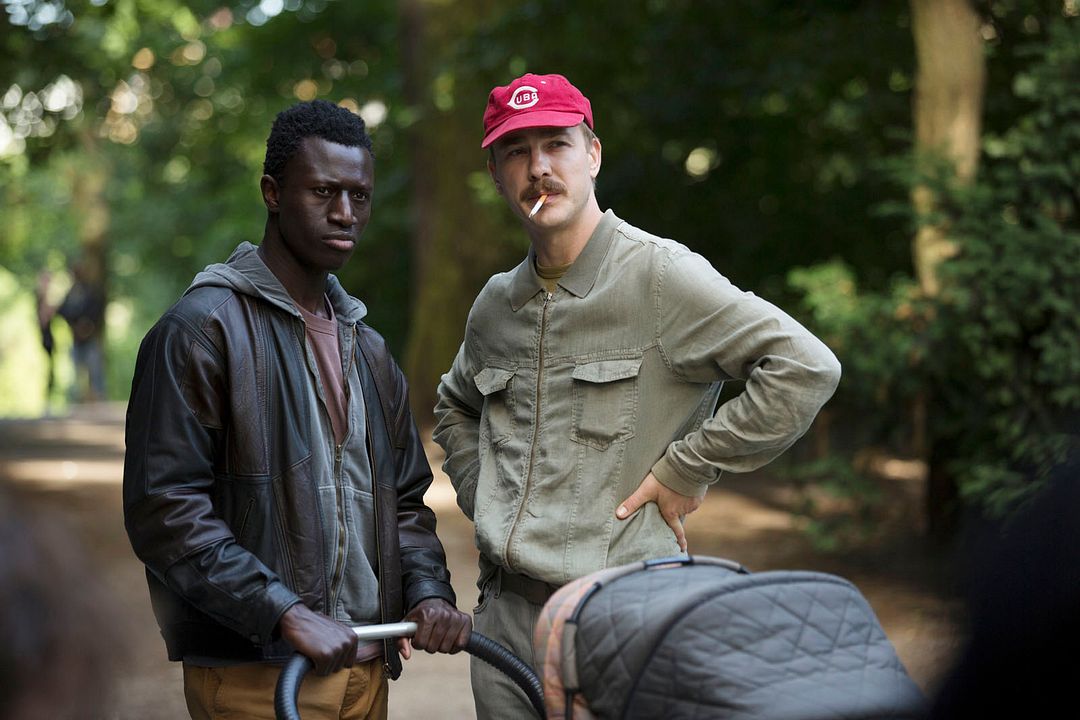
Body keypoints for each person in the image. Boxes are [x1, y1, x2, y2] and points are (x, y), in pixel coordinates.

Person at [433, 73, 843, 718]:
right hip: (504, 622)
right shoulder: (496, 303)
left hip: (620, 617)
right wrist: (485, 491)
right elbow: (454, 403)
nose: (538, 168)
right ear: (494, 172)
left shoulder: (660, 275)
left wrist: (688, 466)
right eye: (516, 151)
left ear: (592, 154)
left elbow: (804, 366)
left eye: (557, 144)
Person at [123, 100, 471, 720]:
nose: (345, 213)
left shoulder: (366, 346)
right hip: (258, 678)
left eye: (359, 196)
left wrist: (427, 593)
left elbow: (407, 501)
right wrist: (281, 610)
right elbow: (165, 511)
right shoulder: (201, 332)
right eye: (323, 192)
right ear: (272, 193)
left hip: (366, 673)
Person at [56, 259, 107, 403]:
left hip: (89, 337)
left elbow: (96, 310)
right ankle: (78, 401)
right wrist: (74, 324)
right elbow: (62, 311)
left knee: (95, 371)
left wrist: (88, 324)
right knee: (77, 373)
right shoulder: (71, 293)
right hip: (76, 339)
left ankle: (99, 400)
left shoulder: (91, 291)